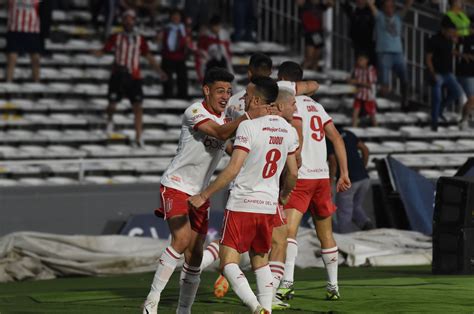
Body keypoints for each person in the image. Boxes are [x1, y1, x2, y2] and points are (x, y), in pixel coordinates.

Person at [142, 68, 268, 314]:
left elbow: (233, 148)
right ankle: (151, 301)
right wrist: (249, 116)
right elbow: (220, 134)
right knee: (181, 240)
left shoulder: (227, 119)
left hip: (200, 194)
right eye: (220, 90)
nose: (225, 96)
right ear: (206, 90)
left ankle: (184, 310)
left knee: (196, 255)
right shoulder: (195, 111)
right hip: (176, 184)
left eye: (229, 92)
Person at [189, 77, 299, 314]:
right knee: (260, 260)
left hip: (242, 202)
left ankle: (255, 306)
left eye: (248, 96)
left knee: (228, 261)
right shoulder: (288, 131)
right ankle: (266, 308)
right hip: (268, 205)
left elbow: (233, 168)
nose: (244, 99)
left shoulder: (249, 127)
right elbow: (293, 172)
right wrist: (284, 195)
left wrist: (204, 194)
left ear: (258, 100)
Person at [275, 61, 351, 302]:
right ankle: (333, 286)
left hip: (302, 176)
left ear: (282, 78)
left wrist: (294, 162)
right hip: (321, 177)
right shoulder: (317, 106)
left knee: (288, 232)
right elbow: (337, 139)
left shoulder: (290, 104)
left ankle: (286, 283)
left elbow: (296, 129)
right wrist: (344, 174)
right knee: (326, 234)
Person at [93, 10, 166, 147]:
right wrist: (95, 52)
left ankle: (139, 136)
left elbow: (148, 56)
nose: (128, 21)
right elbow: (105, 50)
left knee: (138, 106)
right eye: (126, 19)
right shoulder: (116, 37)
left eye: (130, 19)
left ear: (134, 21)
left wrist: (159, 71)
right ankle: (109, 120)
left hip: (134, 77)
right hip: (118, 75)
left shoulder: (140, 39)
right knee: (112, 104)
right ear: (123, 21)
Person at [368, 0, 413, 111]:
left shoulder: (398, 17)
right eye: (387, 7)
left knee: (405, 80)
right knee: (385, 85)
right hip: (384, 53)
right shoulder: (380, 17)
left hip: (398, 52)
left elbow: (408, 5)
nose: (389, 9)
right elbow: (371, 5)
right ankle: (378, 105)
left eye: (391, 7)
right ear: (383, 8)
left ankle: (405, 103)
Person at [328, 128, 375, 233]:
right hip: (364, 178)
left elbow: (333, 162)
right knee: (356, 206)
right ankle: (366, 224)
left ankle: (346, 241)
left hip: (348, 180)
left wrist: (330, 183)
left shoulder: (329, 138)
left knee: (344, 212)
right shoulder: (348, 133)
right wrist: (363, 167)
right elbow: (365, 149)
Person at [426, 16, 463, 131]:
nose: (452, 33)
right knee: (437, 97)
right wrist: (432, 73)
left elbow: (449, 51)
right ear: (443, 29)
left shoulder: (449, 39)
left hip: (448, 73)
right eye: (450, 31)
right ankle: (434, 121)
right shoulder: (434, 40)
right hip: (437, 73)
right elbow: (428, 58)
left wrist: (461, 54)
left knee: (457, 92)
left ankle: (441, 110)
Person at [5, 0, 42, 82]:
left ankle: (37, 85)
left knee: (36, 59)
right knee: (12, 58)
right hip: (14, 29)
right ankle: (8, 83)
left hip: (32, 30)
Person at [161, 9, 191, 99]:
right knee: (168, 80)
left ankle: (182, 97)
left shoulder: (184, 30)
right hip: (167, 57)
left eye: (177, 16)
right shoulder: (166, 28)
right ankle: (168, 97)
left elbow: (188, 44)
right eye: (174, 15)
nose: (176, 17)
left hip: (180, 57)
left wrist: (187, 42)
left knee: (182, 79)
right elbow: (160, 42)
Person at [297, 0, 334, 71]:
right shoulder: (305, 4)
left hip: (317, 33)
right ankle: (299, 72)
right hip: (309, 32)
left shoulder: (320, 5)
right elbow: (299, 2)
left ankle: (314, 69)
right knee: (309, 57)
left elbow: (330, 4)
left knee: (316, 55)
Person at [196, 15, 234, 82]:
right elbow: (201, 57)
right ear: (211, 26)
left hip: (223, 65)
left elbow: (228, 54)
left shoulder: (224, 36)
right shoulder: (205, 37)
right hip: (210, 65)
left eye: (218, 25)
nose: (217, 28)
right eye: (215, 26)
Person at [342, 0, 376, 65]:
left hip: (371, 44)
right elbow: (345, 5)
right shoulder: (354, 11)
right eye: (358, 1)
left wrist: (372, 4)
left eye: (362, 1)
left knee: (371, 65)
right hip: (358, 44)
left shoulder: (370, 11)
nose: (360, 2)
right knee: (360, 65)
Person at [348, 53, 378, 127]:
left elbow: (371, 84)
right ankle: (353, 129)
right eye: (358, 60)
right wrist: (351, 81)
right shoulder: (356, 69)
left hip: (368, 96)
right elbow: (352, 80)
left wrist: (357, 82)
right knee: (355, 113)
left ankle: (377, 131)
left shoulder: (370, 69)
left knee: (372, 115)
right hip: (358, 95)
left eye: (361, 60)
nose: (359, 62)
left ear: (366, 60)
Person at [456, 29, 474, 130]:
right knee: (472, 99)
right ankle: (463, 120)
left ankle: (466, 119)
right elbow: (453, 49)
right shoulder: (466, 38)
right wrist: (464, 55)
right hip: (466, 72)